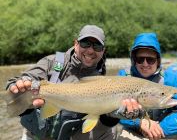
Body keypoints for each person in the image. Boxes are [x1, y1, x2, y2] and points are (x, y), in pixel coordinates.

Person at [6, 25, 141, 140]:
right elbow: (25, 78)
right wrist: (19, 85)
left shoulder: (104, 80)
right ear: (76, 44)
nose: (90, 50)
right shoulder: (53, 62)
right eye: (85, 43)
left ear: (103, 50)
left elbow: (104, 119)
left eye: (97, 46)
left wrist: (117, 114)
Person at [117, 32, 177, 140]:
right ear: (133, 60)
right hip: (135, 130)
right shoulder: (124, 77)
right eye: (140, 59)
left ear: (158, 61)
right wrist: (140, 122)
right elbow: (113, 110)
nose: (145, 64)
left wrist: (160, 128)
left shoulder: (169, 79)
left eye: (150, 60)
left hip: (163, 129)